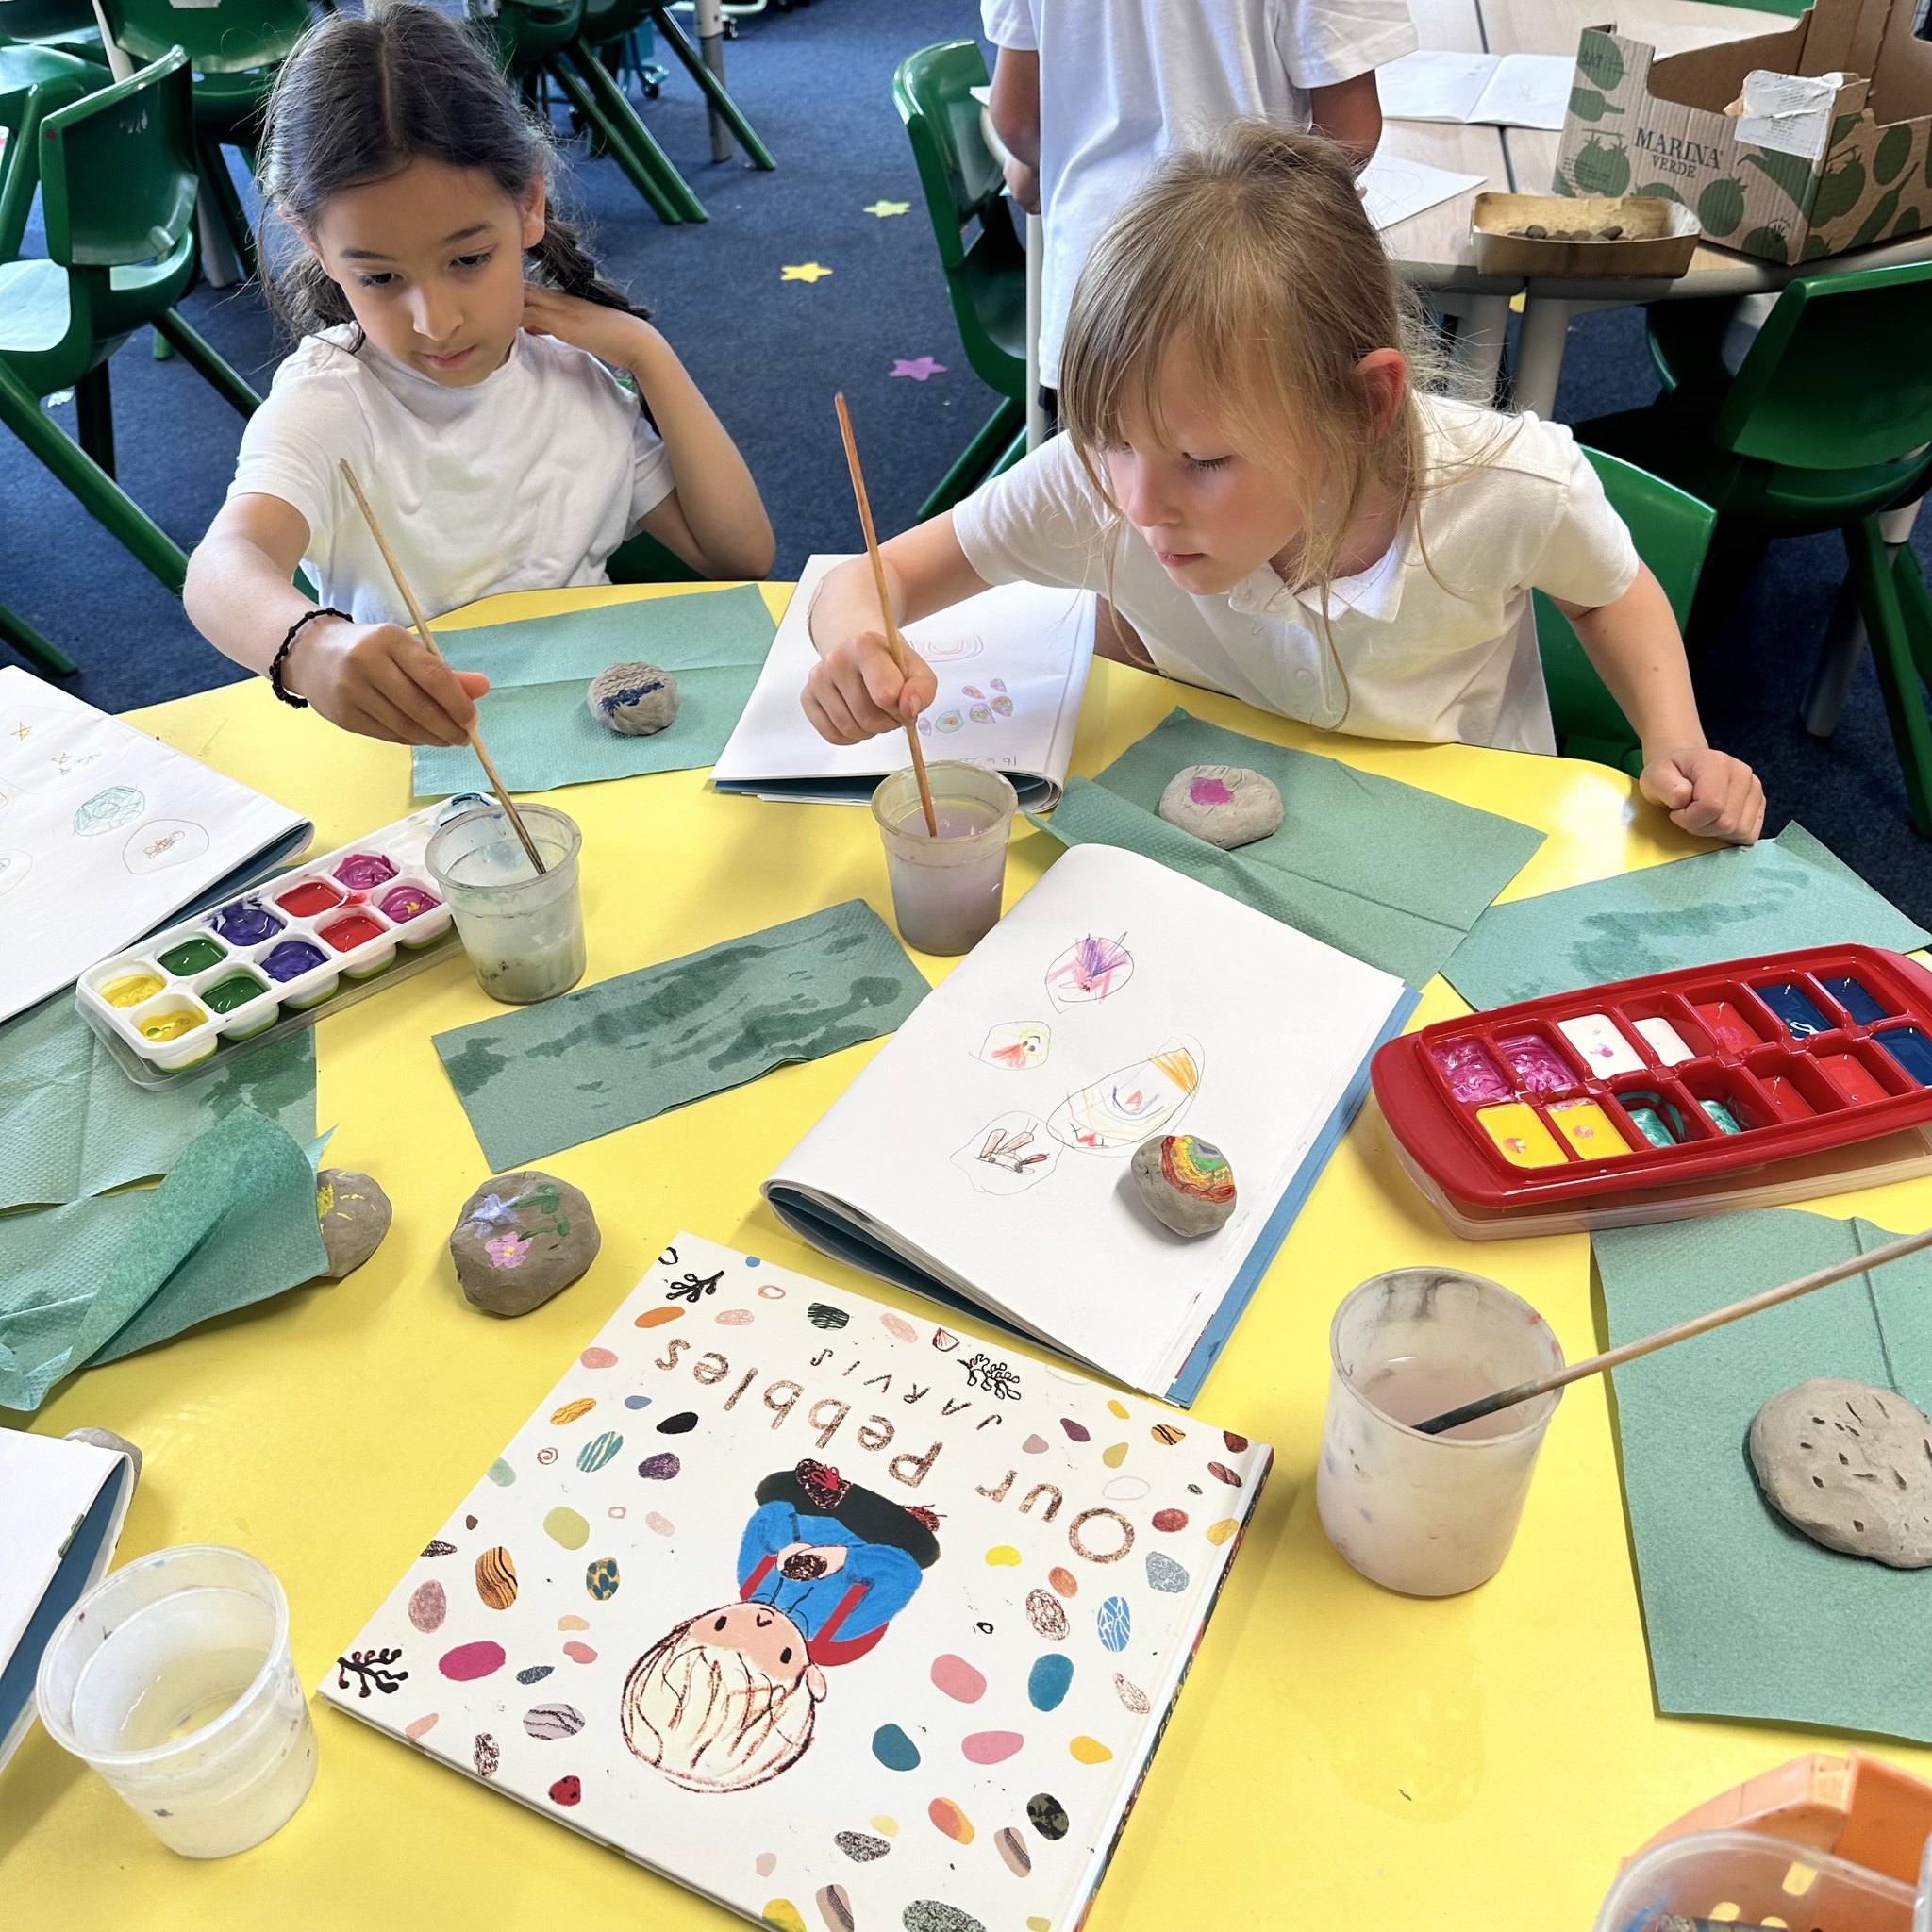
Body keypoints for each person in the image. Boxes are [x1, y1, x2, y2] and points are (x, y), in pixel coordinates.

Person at [803, 125, 1765, 844]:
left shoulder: (1512, 484)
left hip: (1462, 825)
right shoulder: (1093, 483)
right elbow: (870, 577)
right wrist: (855, 643)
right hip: (1232, 810)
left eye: (1204, 460)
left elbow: (1606, 592)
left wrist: (1675, 738)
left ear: (1363, 405)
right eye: (1112, 438)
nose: (1138, 506)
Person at [184, 2, 772, 749]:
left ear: (529, 202)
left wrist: (648, 355)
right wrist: (310, 644)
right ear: (317, 246)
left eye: (468, 259)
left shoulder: (573, 377)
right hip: (421, 751)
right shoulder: (329, 401)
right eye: (381, 278)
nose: (435, 321)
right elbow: (222, 567)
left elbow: (738, 555)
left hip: (590, 736)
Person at [982, 0, 1418, 408]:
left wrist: (1040, 165)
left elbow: (1017, 118)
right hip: (1256, 292)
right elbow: (1349, 131)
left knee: (1101, 457)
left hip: (1095, 294)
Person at [619, 1463, 940, 1794]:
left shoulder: (750, 1581)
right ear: (811, 1678)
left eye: (722, 1625)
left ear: (690, 1625)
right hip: (885, 1531)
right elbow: (904, 1574)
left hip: (818, 1500)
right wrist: (842, 1559)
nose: (760, 1622)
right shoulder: (840, 1631)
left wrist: (784, 1545)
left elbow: (769, 1513)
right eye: (782, 1655)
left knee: (772, 1488)